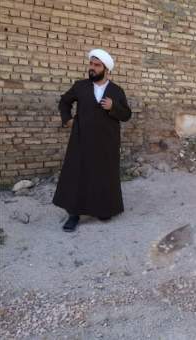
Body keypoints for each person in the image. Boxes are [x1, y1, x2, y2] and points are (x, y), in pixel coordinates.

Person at [53, 49, 132, 232]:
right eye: (91, 64)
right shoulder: (80, 86)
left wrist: (113, 107)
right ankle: (74, 214)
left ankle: (103, 209)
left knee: (104, 175)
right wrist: (68, 119)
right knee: (78, 175)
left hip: (107, 142)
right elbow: (64, 102)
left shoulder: (116, 91)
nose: (92, 68)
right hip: (82, 139)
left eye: (97, 65)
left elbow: (126, 115)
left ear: (106, 69)